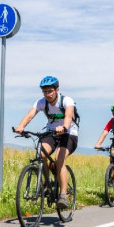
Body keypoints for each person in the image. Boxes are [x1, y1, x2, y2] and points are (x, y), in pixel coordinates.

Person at [13, 76, 78, 209]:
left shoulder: (66, 100)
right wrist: (21, 126)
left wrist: (64, 127)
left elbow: (68, 116)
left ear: (57, 90)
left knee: (59, 159)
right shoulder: (42, 102)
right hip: (51, 132)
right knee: (41, 153)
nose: (47, 94)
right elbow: (30, 115)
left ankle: (63, 195)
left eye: (50, 91)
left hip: (69, 133)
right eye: (45, 92)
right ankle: (48, 184)